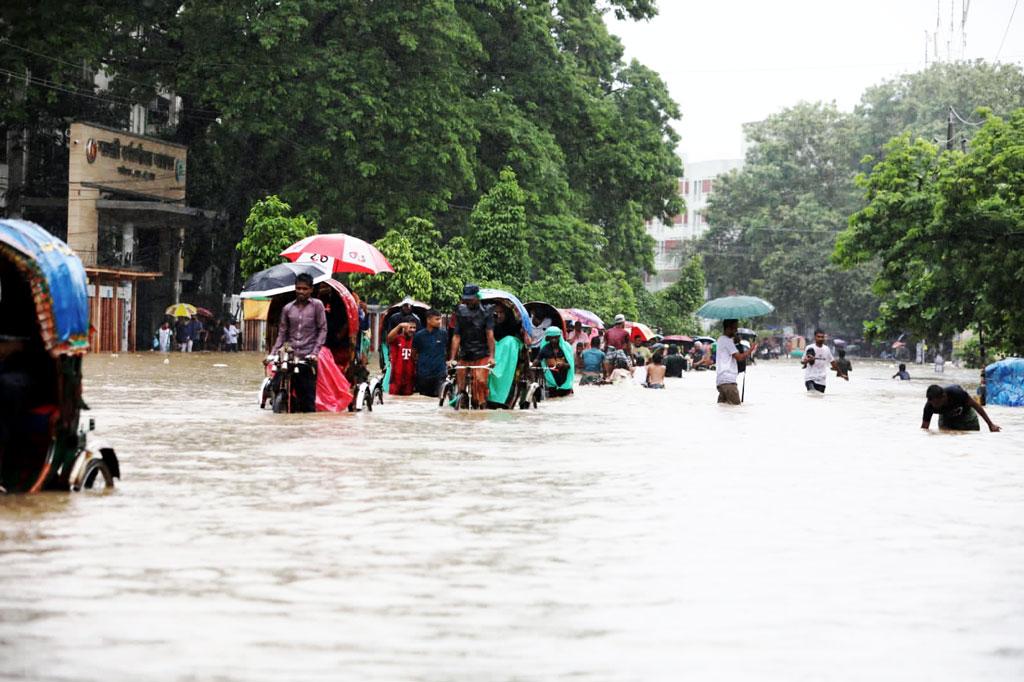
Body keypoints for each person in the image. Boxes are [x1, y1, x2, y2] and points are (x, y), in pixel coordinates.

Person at [269, 273, 327, 413]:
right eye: (298, 288)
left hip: (307, 356)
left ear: (311, 289)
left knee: (307, 398)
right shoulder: (288, 308)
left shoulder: (317, 306)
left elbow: (323, 329)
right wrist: (272, 354)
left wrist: (315, 353)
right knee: (274, 385)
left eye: (304, 288)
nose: (301, 291)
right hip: (290, 355)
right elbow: (282, 334)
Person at [449, 284, 495, 408]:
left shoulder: (487, 312)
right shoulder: (460, 311)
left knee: (480, 381)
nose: (468, 301)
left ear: (477, 297)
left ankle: (482, 404)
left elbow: (490, 335)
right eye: (466, 299)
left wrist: (491, 356)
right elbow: (456, 336)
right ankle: (461, 400)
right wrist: (452, 358)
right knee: (461, 384)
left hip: (482, 354)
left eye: (470, 298)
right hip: (465, 353)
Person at [921, 384, 1001, 432]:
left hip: (966, 415)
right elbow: (924, 429)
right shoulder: (929, 407)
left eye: (937, 403)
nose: (935, 406)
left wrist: (990, 425)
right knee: (945, 435)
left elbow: (976, 406)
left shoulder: (957, 393)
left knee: (972, 436)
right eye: (933, 403)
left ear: (944, 397)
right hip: (947, 418)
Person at [716, 319, 757, 405]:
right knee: (736, 408)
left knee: (724, 410)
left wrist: (735, 342)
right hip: (729, 382)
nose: (736, 331)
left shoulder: (720, 339)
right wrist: (751, 349)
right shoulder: (727, 341)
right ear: (728, 328)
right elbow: (739, 357)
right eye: (735, 328)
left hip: (721, 381)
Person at [412, 309, 448, 397]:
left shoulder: (444, 334)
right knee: (424, 399)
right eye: (437, 319)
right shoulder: (419, 335)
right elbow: (413, 353)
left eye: (440, 319)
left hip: (440, 373)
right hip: (423, 374)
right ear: (428, 320)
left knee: (439, 398)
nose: (439, 322)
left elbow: (448, 351)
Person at [537, 326, 574, 397]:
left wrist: (563, 365)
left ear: (559, 337)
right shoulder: (545, 349)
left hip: (565, 381)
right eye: (551, 338)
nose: (554, 340)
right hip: (551, 382)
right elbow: (538, 359)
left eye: (556, 337)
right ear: (548, 338)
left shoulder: (566, 348)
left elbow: (571, 365)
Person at [387, 321, 417, 396]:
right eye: (410, 327)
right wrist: (399, 326)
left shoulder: (416, 340)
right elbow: (389, 338)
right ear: (404, 328)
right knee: (393, 399)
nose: (412, 330)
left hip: (409, 378)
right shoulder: (397, 339)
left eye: (414, 328)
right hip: (396, 377)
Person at [801, 329, 836, 393]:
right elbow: (802, 361)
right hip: (810, 379)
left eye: (822, 337)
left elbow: (832, 361)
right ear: (815, 337)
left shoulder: (826, 349)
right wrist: (808, 360)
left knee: (820, 398)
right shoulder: (809, 348)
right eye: (818, 337)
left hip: (822, 380)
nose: (820, 338)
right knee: (812, 394)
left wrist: (840, 373)